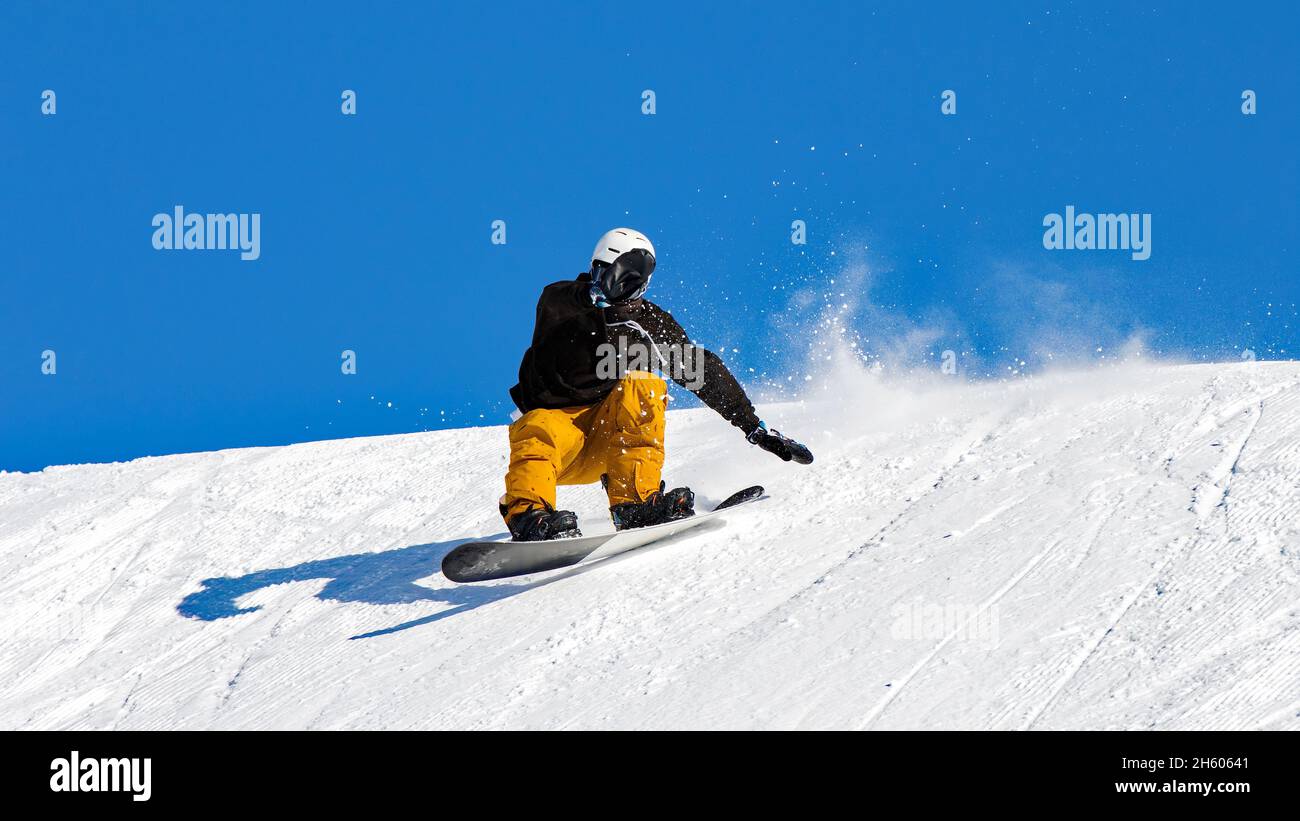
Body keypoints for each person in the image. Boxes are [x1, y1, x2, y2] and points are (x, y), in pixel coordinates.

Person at [501, 227, 813, 541]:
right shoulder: (561, 300)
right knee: (539, 425)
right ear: (597, 269)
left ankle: (633, 504)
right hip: (557, 447)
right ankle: (530, 516)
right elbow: (562, 309)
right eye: (617, 278)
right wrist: (596, 298)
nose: (624, 291)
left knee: (644, 384)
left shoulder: (647, 324)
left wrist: (754, 427)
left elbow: (702, 370)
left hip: (609, 442)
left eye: (634, 284)